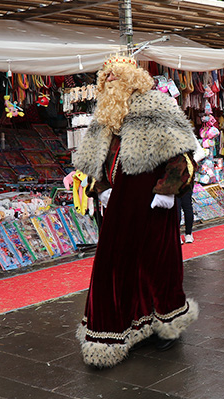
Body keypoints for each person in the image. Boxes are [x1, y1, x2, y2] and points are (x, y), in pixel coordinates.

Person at [74, 54, 199, 368]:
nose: (110, 82)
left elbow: (182, 158)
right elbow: (96, 163)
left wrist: (168, 191)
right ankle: (120, 329)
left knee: (157, 267)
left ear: (132, 80)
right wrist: (101, 189)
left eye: (116, 76)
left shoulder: (158, 107)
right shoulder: (105, 116)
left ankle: (164, 324)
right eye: (106, 78)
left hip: (152, 203)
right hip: (118, 206)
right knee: (115, 269)